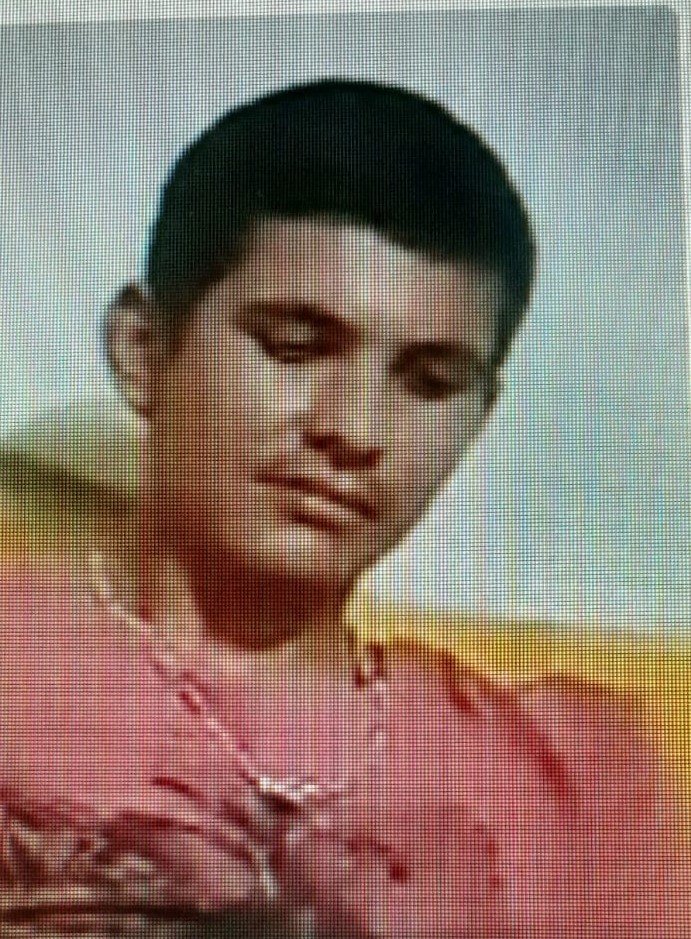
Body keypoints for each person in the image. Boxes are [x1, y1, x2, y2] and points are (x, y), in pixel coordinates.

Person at [1, 79, 689, 938]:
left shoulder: (569, 782)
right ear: (143, 350)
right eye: (295, 347)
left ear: (478, 417)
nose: (355, 430)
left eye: (429, 382)